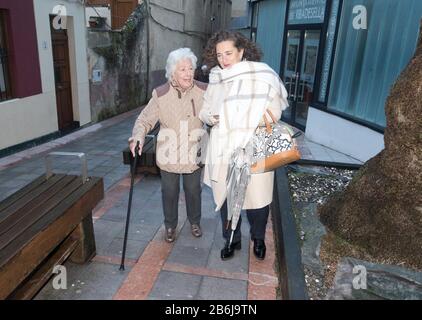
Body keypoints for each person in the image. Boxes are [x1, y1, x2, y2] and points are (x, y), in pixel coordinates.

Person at [199, 31, 288, 261]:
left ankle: (258, 239)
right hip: (223, 148)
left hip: (254, 145)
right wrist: (212, 117)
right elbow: (204, 109)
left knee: (256, 200)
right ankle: (232, 240)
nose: (224, 59)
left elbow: (274, 111)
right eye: (219, 55)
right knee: (228, 197)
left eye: (229, 53)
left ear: (241, 51)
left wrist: (243, 121)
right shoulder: (217, 78)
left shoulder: (261, 75)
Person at [129, 48, 208, 243]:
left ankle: (195, 221)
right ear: (172, 72)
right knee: (169, 192)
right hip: (169, 152)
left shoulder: (205, 90)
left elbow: (219, 112)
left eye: (190, 68)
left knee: (193, 191)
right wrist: (137, 136)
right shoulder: (161, 94)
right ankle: (170, 225)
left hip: (194, 150)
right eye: (182, 69)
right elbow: (144, 120)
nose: (188, 73)